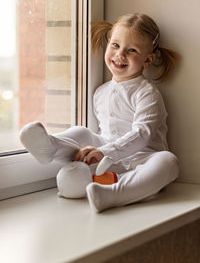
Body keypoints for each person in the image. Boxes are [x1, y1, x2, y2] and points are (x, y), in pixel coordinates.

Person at [20, 13, 179, 213]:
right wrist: (95, 152)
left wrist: (105, 152)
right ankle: (50, 148)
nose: (120, 55)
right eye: (115, 45)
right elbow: (103, 136)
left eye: (132, 50)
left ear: (148, 59)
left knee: (168, 161)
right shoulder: (100, 92)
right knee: (82, 132)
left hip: (142, 161)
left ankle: (114, 194)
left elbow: (142, 134)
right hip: (107, 160)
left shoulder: (147, 93)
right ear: (108, 44)